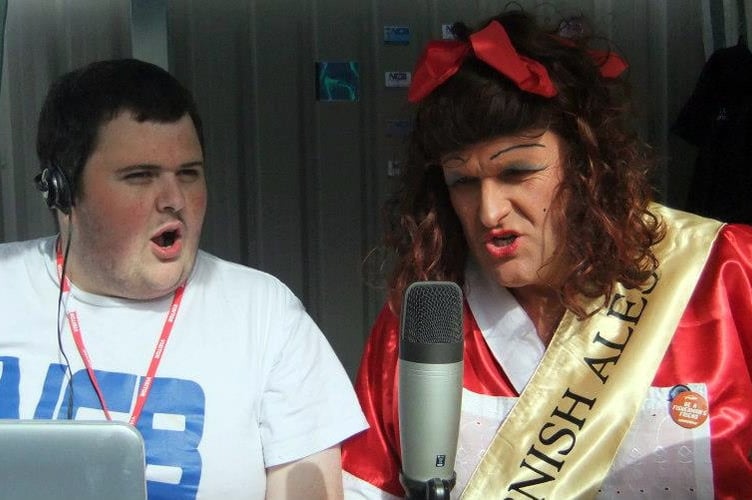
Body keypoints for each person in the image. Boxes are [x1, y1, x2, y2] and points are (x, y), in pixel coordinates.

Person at [342, 9, 752, 499]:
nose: (490, 211)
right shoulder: (428, 327)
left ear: (586, 164)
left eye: (517, 171)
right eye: (462, 181)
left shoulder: (726, 273)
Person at [0, 58, 367, 499]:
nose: (174, 200)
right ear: (60, 190)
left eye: (189, 174)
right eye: (140, 176)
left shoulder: (266, 316)